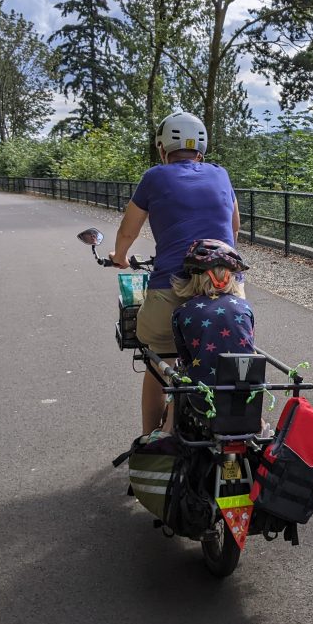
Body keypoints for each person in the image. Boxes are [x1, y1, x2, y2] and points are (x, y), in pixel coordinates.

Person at [110, 111, 240, 436]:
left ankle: (152, 444)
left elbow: (128, 231)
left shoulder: (154, 177)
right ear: (202, 149)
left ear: (162, 148)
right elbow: (234, 229)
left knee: (158, 365)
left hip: (170, 287)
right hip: (227, 286)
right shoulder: (221, 174)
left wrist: (120, 257)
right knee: (227, 361)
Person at [171, 239, 255, 388]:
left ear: (194, 277)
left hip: (203, 395)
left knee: (176, 383)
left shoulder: (182, 311)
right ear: (229, 277)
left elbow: (185, 357)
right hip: (246, 394)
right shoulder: (244, 307)